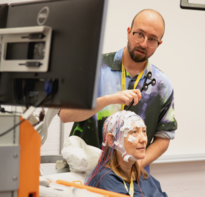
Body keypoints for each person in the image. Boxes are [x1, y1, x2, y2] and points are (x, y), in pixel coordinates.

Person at [59, 9, 177, 172]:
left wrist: (133, 167)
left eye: (152, 39)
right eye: (139, 34)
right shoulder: (94, 68)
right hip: (85, 173)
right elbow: (65, 115)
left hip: (131, 179)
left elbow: (163, 138)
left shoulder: (162, 85)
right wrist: (108, 99)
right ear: (129, 32)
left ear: (159, 43)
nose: (143, 44)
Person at [86, 111, 168, 197]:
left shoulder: (145, 177)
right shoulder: (105, 179)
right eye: (134, 132)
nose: (143, 139)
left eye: (144, 131)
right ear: (112, 140)